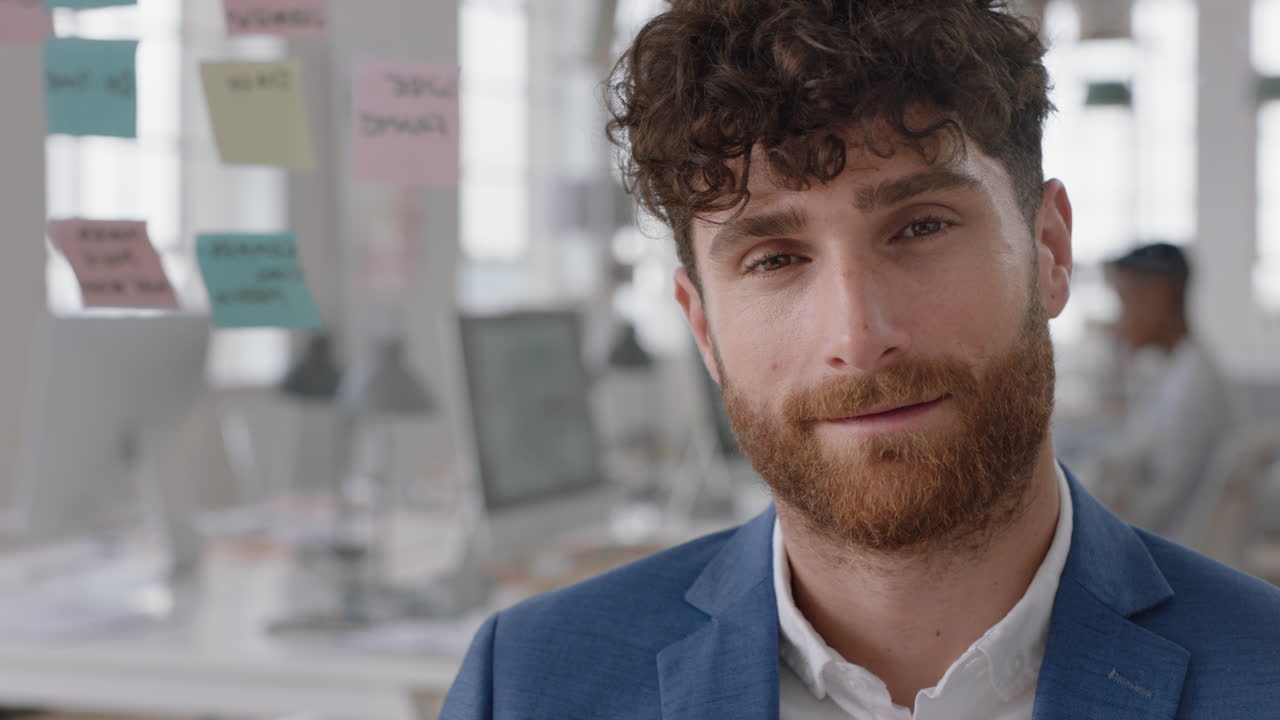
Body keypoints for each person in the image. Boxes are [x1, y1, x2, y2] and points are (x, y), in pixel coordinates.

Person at [442, 2, 1280, 717]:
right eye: (774, 259)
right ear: (703, 328)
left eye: (920, 227)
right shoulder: (524, 685)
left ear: (1050, 251)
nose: (858, 334)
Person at [1091, 242, 1236, 547]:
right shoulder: (1178, 374)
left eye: (1125, 302)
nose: (1119, 323)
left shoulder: (1194, 389)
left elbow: (1156, 507)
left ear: (1158, 295)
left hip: (1170, 552)